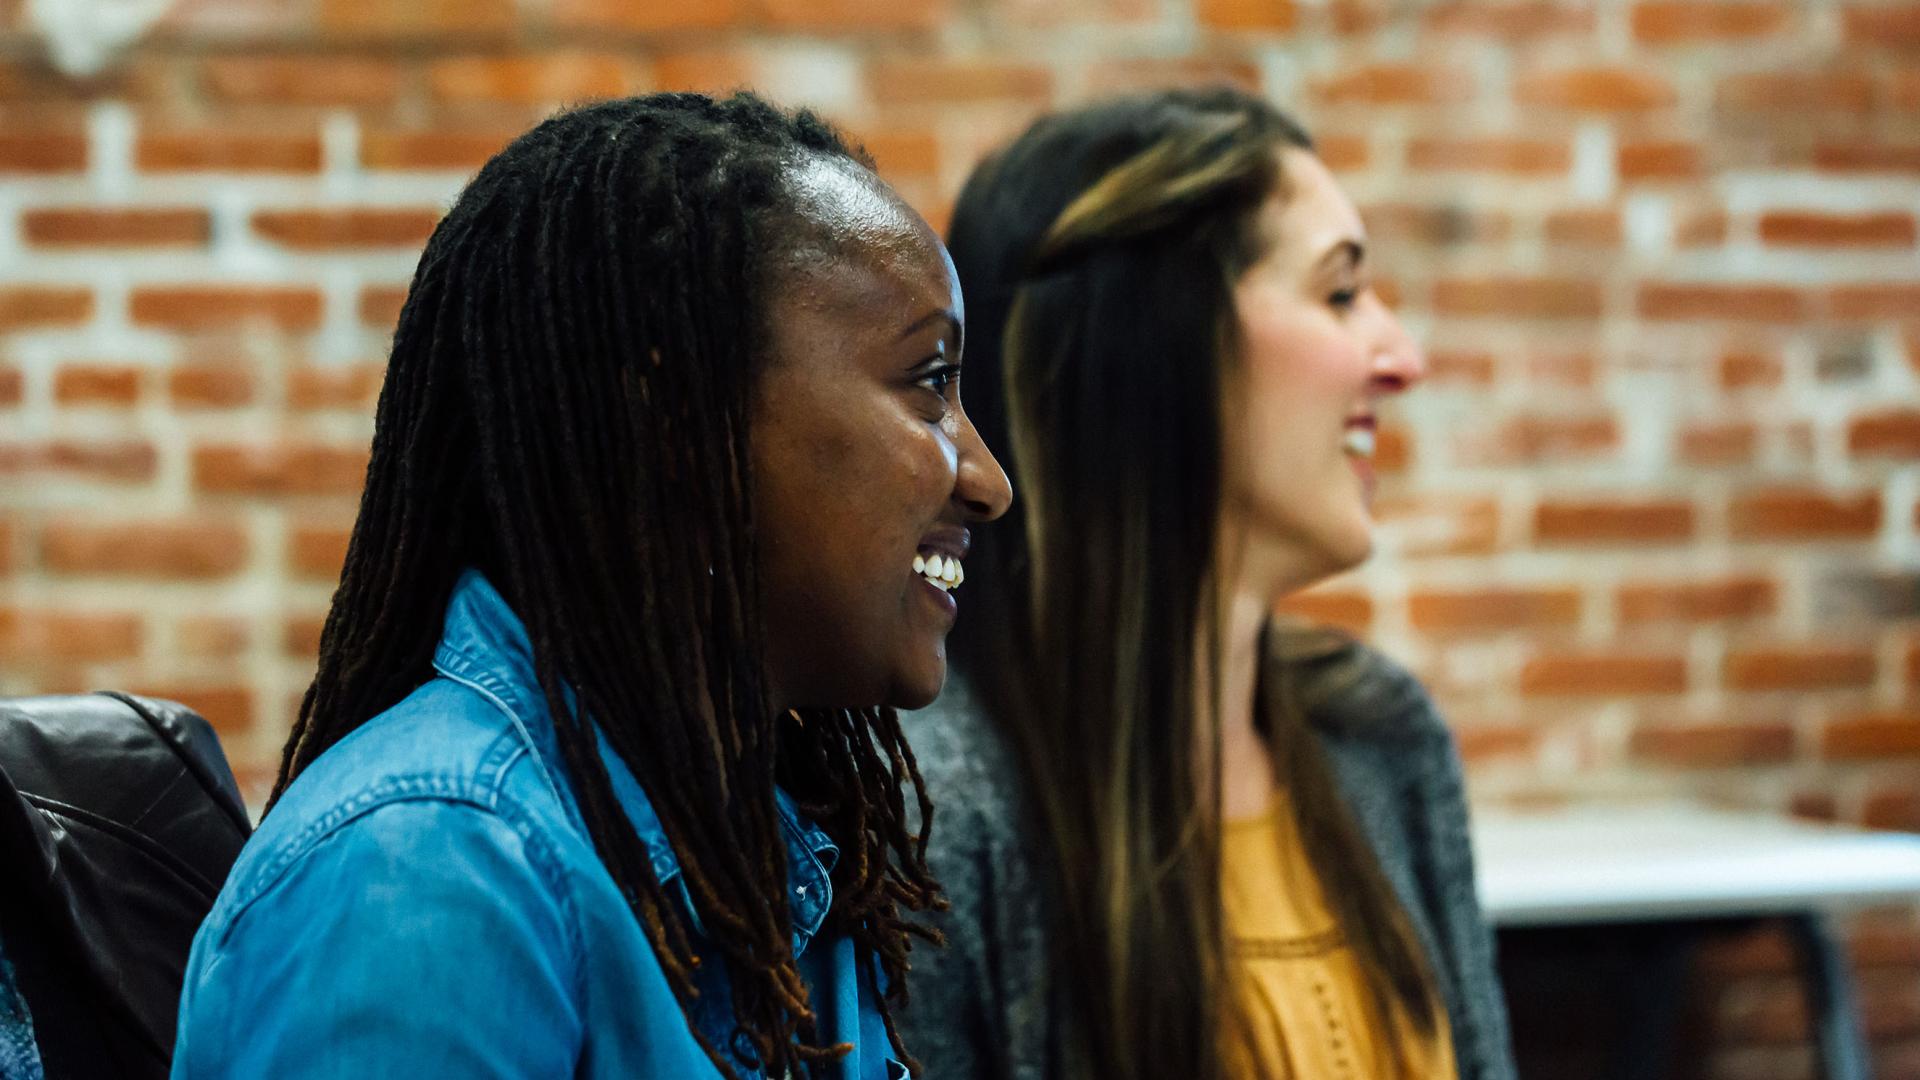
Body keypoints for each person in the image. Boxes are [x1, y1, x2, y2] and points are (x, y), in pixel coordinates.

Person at [170, 92, 1011, 1080]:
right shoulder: (433, 872)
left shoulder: (782, 848)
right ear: (681, 422)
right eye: (928, 383)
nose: (988, 481)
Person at [895, 87, 1517, 1080]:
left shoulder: (1381, 735)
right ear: (1159, 345)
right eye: (1340, 292)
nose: (1403, 359)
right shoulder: (935, 812)